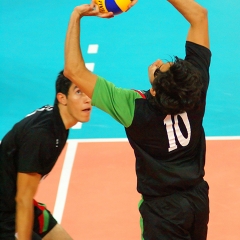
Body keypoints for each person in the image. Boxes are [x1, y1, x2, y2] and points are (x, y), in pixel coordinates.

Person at [64, 0, 211, 239]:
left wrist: (76, 16)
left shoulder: (133, 108)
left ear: (154, 91)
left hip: (162, 213)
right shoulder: (195, 88)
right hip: (197, 200)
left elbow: (74, 71)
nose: (161, 63)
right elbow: (200, 16)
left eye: (161, 68)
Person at [0, 71, 92, 240]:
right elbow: (23, 198)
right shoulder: (42, 137)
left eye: (87, 91)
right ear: (62, 98)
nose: (88, 99)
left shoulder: (59, 124)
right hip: (5, 215)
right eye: (78, 92)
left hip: (13, 201)